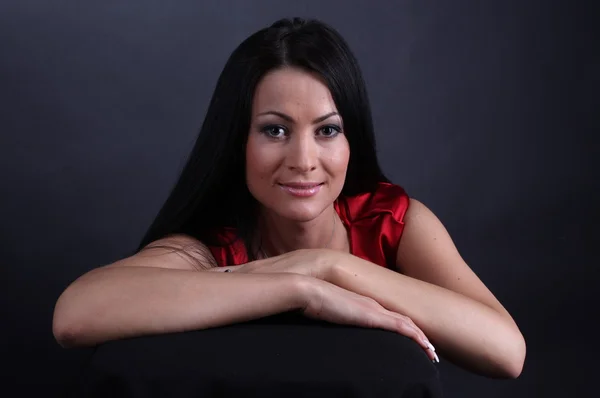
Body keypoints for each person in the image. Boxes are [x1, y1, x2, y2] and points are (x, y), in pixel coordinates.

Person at [52, 17, 525, 379]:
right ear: (238, 141)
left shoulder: (392, 223)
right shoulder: (210, 248)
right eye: (274, 130)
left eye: (327, 130)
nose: (303, 159)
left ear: (350, 141)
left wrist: (328, 266)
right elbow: (74, 315)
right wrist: (303, 289)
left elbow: (507, 353)